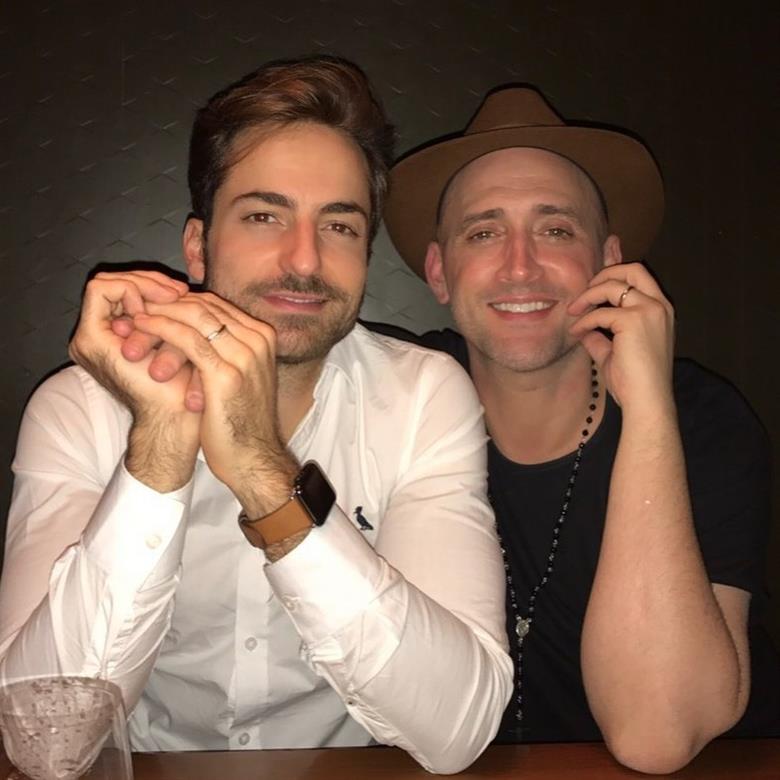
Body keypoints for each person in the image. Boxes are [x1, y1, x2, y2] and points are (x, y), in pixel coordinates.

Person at [0, 57, 513, 773]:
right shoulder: (79, 409)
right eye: (264, 216)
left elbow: (459, 729)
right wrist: (158, 450)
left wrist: (264, 474)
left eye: (339, 225)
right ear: (197, 247)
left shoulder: (424, 395)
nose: (304, 259)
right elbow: (44, 745)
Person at [381, 86, 780, 773]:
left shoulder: (703, 419)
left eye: (557, 230)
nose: (520, 265)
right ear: (439, 272)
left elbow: (658, 736)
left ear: (607, 260)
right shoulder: (391, 395)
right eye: (484, 233)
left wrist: (649, 412)